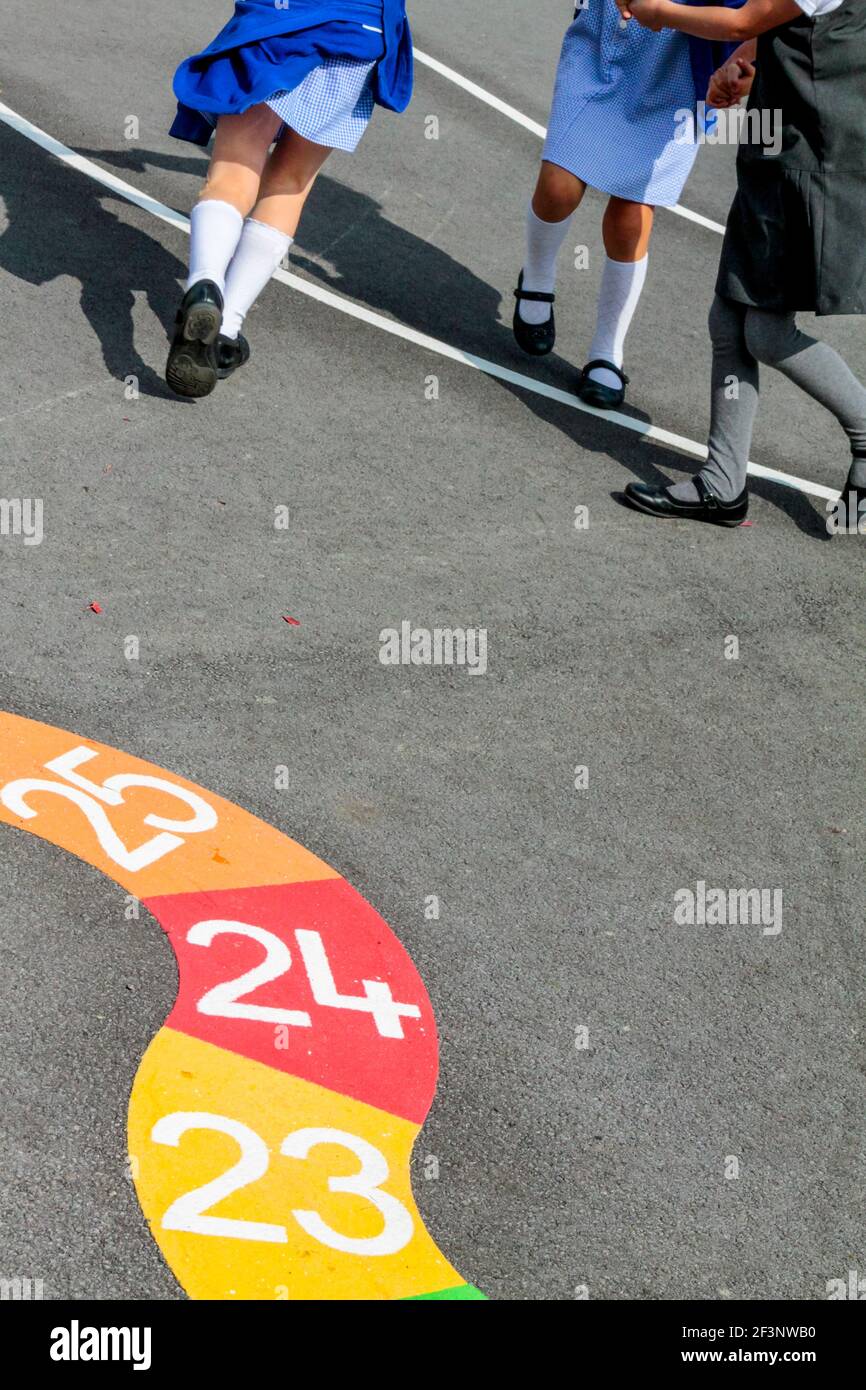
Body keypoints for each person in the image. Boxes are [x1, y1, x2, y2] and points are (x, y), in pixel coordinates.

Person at [620, 0, 866, 530]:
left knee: (767, 331)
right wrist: (744, 60)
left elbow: (742, 20)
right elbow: (771, 25)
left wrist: (657, 11)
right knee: (729, 319)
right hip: (782, 152)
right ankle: (723, 484)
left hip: (810, 164)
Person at [164, 0, 412, 398]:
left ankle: (206, 283)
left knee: (233, 172)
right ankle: (226, 331)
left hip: (280, 21)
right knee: (291, 181)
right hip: (358, 31)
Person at [511, 0, 741, 410]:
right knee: (559, 184)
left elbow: (754, 13)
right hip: (605, 38)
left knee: (631, 214)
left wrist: (742, 63)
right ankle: (537, 276)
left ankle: (607, 350)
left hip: (680, 62)